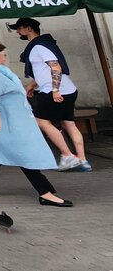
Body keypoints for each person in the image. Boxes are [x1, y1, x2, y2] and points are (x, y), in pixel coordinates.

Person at [0, 40, 71, 207]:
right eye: (3, 54)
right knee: (25, 154)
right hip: (8, 122)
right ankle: (45, 193)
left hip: (7, 120)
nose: (5, 57)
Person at [11, 17, 90, 172]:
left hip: (53, 91)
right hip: (68, 89)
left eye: (19, 28)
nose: (18, 32)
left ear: (29, 28)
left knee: (42, 122)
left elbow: (56, 67)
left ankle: (68, 156)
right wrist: (31, 85)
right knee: (68, 123)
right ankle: (82, 160)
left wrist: (55, 90)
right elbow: (44, 71)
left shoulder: (39, 46)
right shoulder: (44, 44)